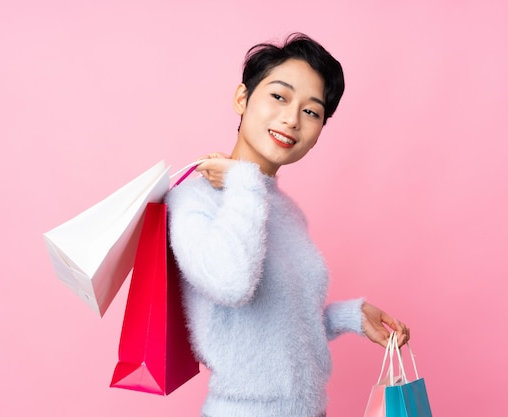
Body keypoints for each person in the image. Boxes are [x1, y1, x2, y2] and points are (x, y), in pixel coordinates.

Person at [165, 32, 410, 417]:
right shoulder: (192, 201)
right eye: (279, 96)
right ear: (242, 99)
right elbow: (232, 283)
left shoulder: (285, 210)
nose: (291, 119)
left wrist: (349, 317)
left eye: (311, 112)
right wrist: (244, 182)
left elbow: (279, 324)